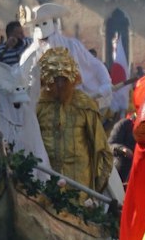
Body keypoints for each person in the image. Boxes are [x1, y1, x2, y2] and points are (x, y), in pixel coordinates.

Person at [33, 47, 115, 197]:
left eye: (63, 80)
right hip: (47, 186)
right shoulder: (38, 106)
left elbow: (102, 151)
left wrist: (95, 191)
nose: (59, 85)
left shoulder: (84, 105)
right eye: (55, 80)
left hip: (80, 187)